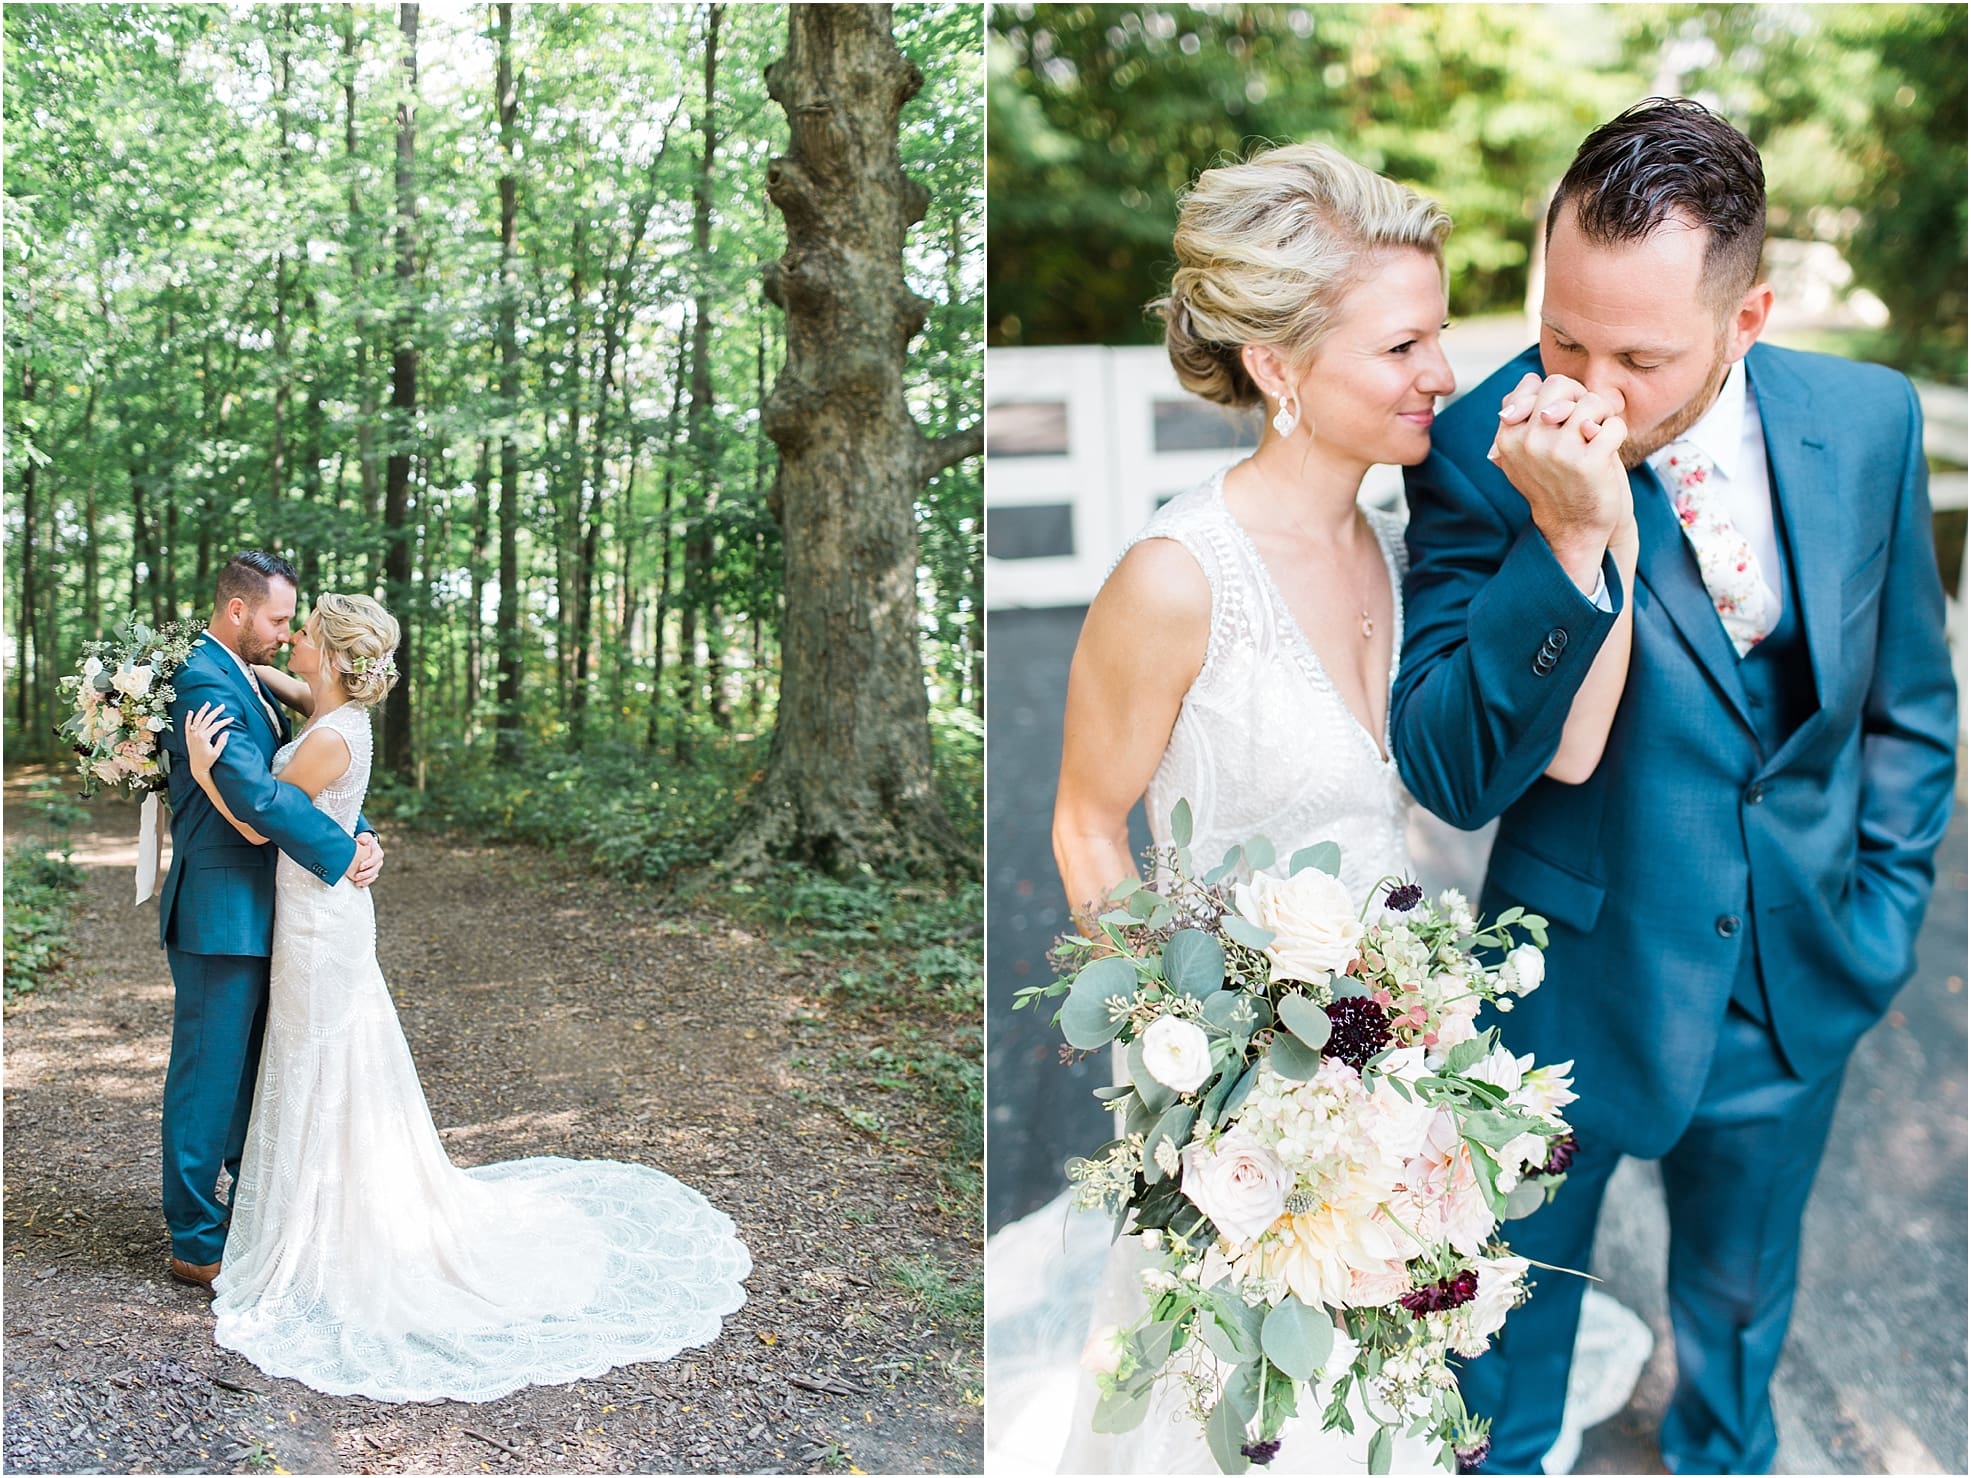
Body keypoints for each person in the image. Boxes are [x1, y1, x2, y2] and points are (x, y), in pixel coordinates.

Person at [1029, 140, 1646, 1474]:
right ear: (1277, 368)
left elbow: (1539, 746)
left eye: (1438, 334)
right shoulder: (1174, 577)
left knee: (1375, 1415)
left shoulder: (1389, 542)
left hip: (1399, 1090)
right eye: (1402, 345)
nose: (1442, 373)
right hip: (1244, 1123)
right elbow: (1085, 821)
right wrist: (1189, 1055)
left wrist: (1593, 529)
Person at [1392, 98, 1957, 1475]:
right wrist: (1572, 537)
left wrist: (1874, 919)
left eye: (1637, 356)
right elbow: (1459, 772)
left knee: (1736, 1315)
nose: (1583, 385)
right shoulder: (1478, 449)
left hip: (1794, 981)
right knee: (1500, 1339)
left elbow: (1907, 707)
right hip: (1563, 987)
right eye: (1559, 331)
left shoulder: (1867, 421)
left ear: (1746, 318)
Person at [179, 591, 751, 1402]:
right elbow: (292, 686)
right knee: (329, 1060)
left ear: (338, 659)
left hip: (315, 924)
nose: (294, 640)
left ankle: (323, 1227)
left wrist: (205, 768)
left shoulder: (328, 739)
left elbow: (255, 821)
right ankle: (312, 1204)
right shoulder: (339, 714)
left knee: (317, 1062)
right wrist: (239, 666)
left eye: (305, 635)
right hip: (324, 914)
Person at [156, 551, 386, 1292]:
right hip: (221, 906)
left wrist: (362, 827)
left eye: (297, 624)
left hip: (270, 906)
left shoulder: (244, 672)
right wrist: (340, 848)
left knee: (257, 1075)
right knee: (208, 1077)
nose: (288, 635)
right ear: (237, 611)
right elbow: (256, 799)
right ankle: (195, 1241)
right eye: (280, 620)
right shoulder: (202, 674)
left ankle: (258, 1208)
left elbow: (317, 760)